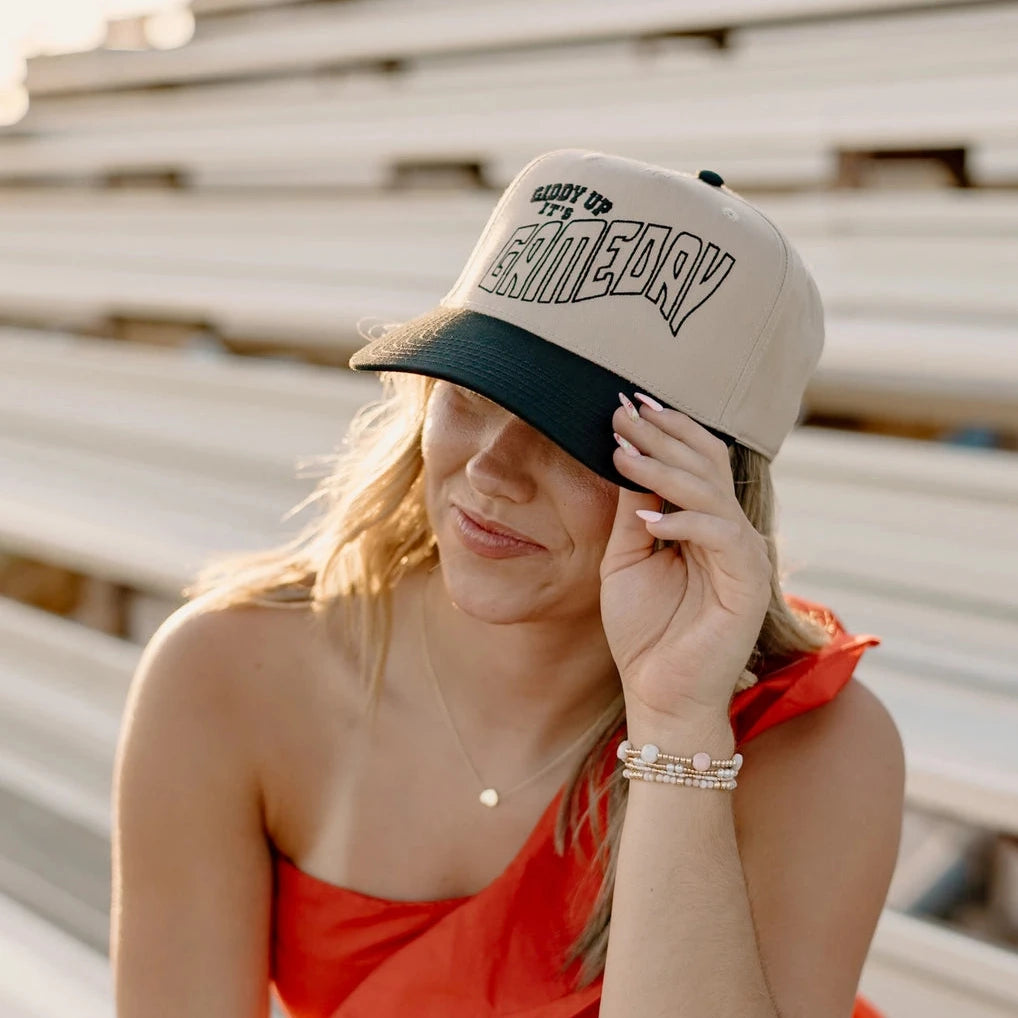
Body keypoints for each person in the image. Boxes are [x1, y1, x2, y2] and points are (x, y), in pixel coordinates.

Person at [110, 149, 905, 1017]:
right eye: (474, 391)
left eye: (576, 435)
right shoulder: (227, 673)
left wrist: (680, 728)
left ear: (706, 496)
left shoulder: (818, 747)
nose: (492, 469)